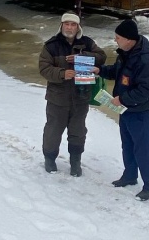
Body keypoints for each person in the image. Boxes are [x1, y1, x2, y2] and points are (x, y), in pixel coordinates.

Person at [96, 19, 149, 201]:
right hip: (125, 109)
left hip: (139, 111)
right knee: (128, 144)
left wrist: (122, 98)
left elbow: (145, 91)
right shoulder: (125, 54)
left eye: (118, 37)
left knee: (143, 148)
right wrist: (99, 70)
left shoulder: (144, 61)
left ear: (129, 39)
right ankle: (130, 176)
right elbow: (116, 71)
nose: (115, 40)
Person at [39, 11, 106, 176]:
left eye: (73, 24)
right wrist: (63, 73)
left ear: (78, 27)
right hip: (57, 98)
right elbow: (44, 68)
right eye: (66, 24)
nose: (70, 27)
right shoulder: (51, 45)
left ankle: (75, 161)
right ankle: (50, 159)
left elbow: (101, 57)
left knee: (78, 131)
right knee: (53, 130)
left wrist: (81, 56)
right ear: (61, 25)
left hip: (81, 96)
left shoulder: (87, 43)